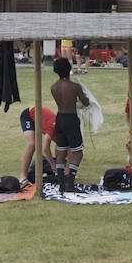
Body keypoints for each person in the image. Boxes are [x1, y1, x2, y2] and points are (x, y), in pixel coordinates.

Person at [48, 56, 91, 191]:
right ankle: (70, 184)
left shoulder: (53, 87)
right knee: (77, 153)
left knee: (61, 152)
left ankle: (61, 184)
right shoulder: (74, 86)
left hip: (59, 118)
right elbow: (86, 102)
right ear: (69, 69)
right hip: (71, 119)